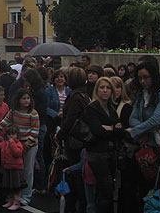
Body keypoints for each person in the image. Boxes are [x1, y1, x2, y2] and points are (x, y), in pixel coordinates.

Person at [126, 61, 160, 212]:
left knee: (159, 187)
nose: (143, 81)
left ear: (153, 77)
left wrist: (135, 131)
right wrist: (142, 131)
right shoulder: (142, 94)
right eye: (140, 78)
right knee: (144, 188)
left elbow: (157, 119)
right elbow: (133, 118)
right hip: (147, 145)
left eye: (146, 77)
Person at [82, 77, 125, 213]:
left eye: (108, 88)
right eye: (102, 87)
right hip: (97, 154)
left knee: (108, 189)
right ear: (97, 90)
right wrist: (113, 129)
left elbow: (119, 129)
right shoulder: (92, 108)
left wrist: (111, 128)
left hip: (109, 153)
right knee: (104, 189)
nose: (105, 90)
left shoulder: (110, 108)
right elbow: (98, 131)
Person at [0, 88, 39, 207]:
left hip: (29, 146)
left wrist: (27, 145)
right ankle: (15, 195)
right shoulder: (13, 111)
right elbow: (3, 123)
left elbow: (35, 131)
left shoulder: (33, 113)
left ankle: (26, 196)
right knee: (17, 172)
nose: (26, 101)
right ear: (18, 100)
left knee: (27, 171)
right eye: (24, 98)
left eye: (28, 98)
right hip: (15, 145)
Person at [56, 67, 90, 213]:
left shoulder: (75, 97)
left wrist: (60, 135)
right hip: (80, 139)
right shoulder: (84, 95)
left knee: (75, 176)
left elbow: (70, 120)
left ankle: (73, 207)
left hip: (75, 141)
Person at [0, 124, 25, 211]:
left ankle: (16, 201)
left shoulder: (18, 144)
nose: (11, 136)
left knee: (16, 186)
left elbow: (17, 153)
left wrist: (12, 143)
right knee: (9, 185)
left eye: (13, 134)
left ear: (17, 135)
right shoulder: (5, 143)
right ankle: (10, 200)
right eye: (9, 134)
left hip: (16, 168)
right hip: (7, 167)